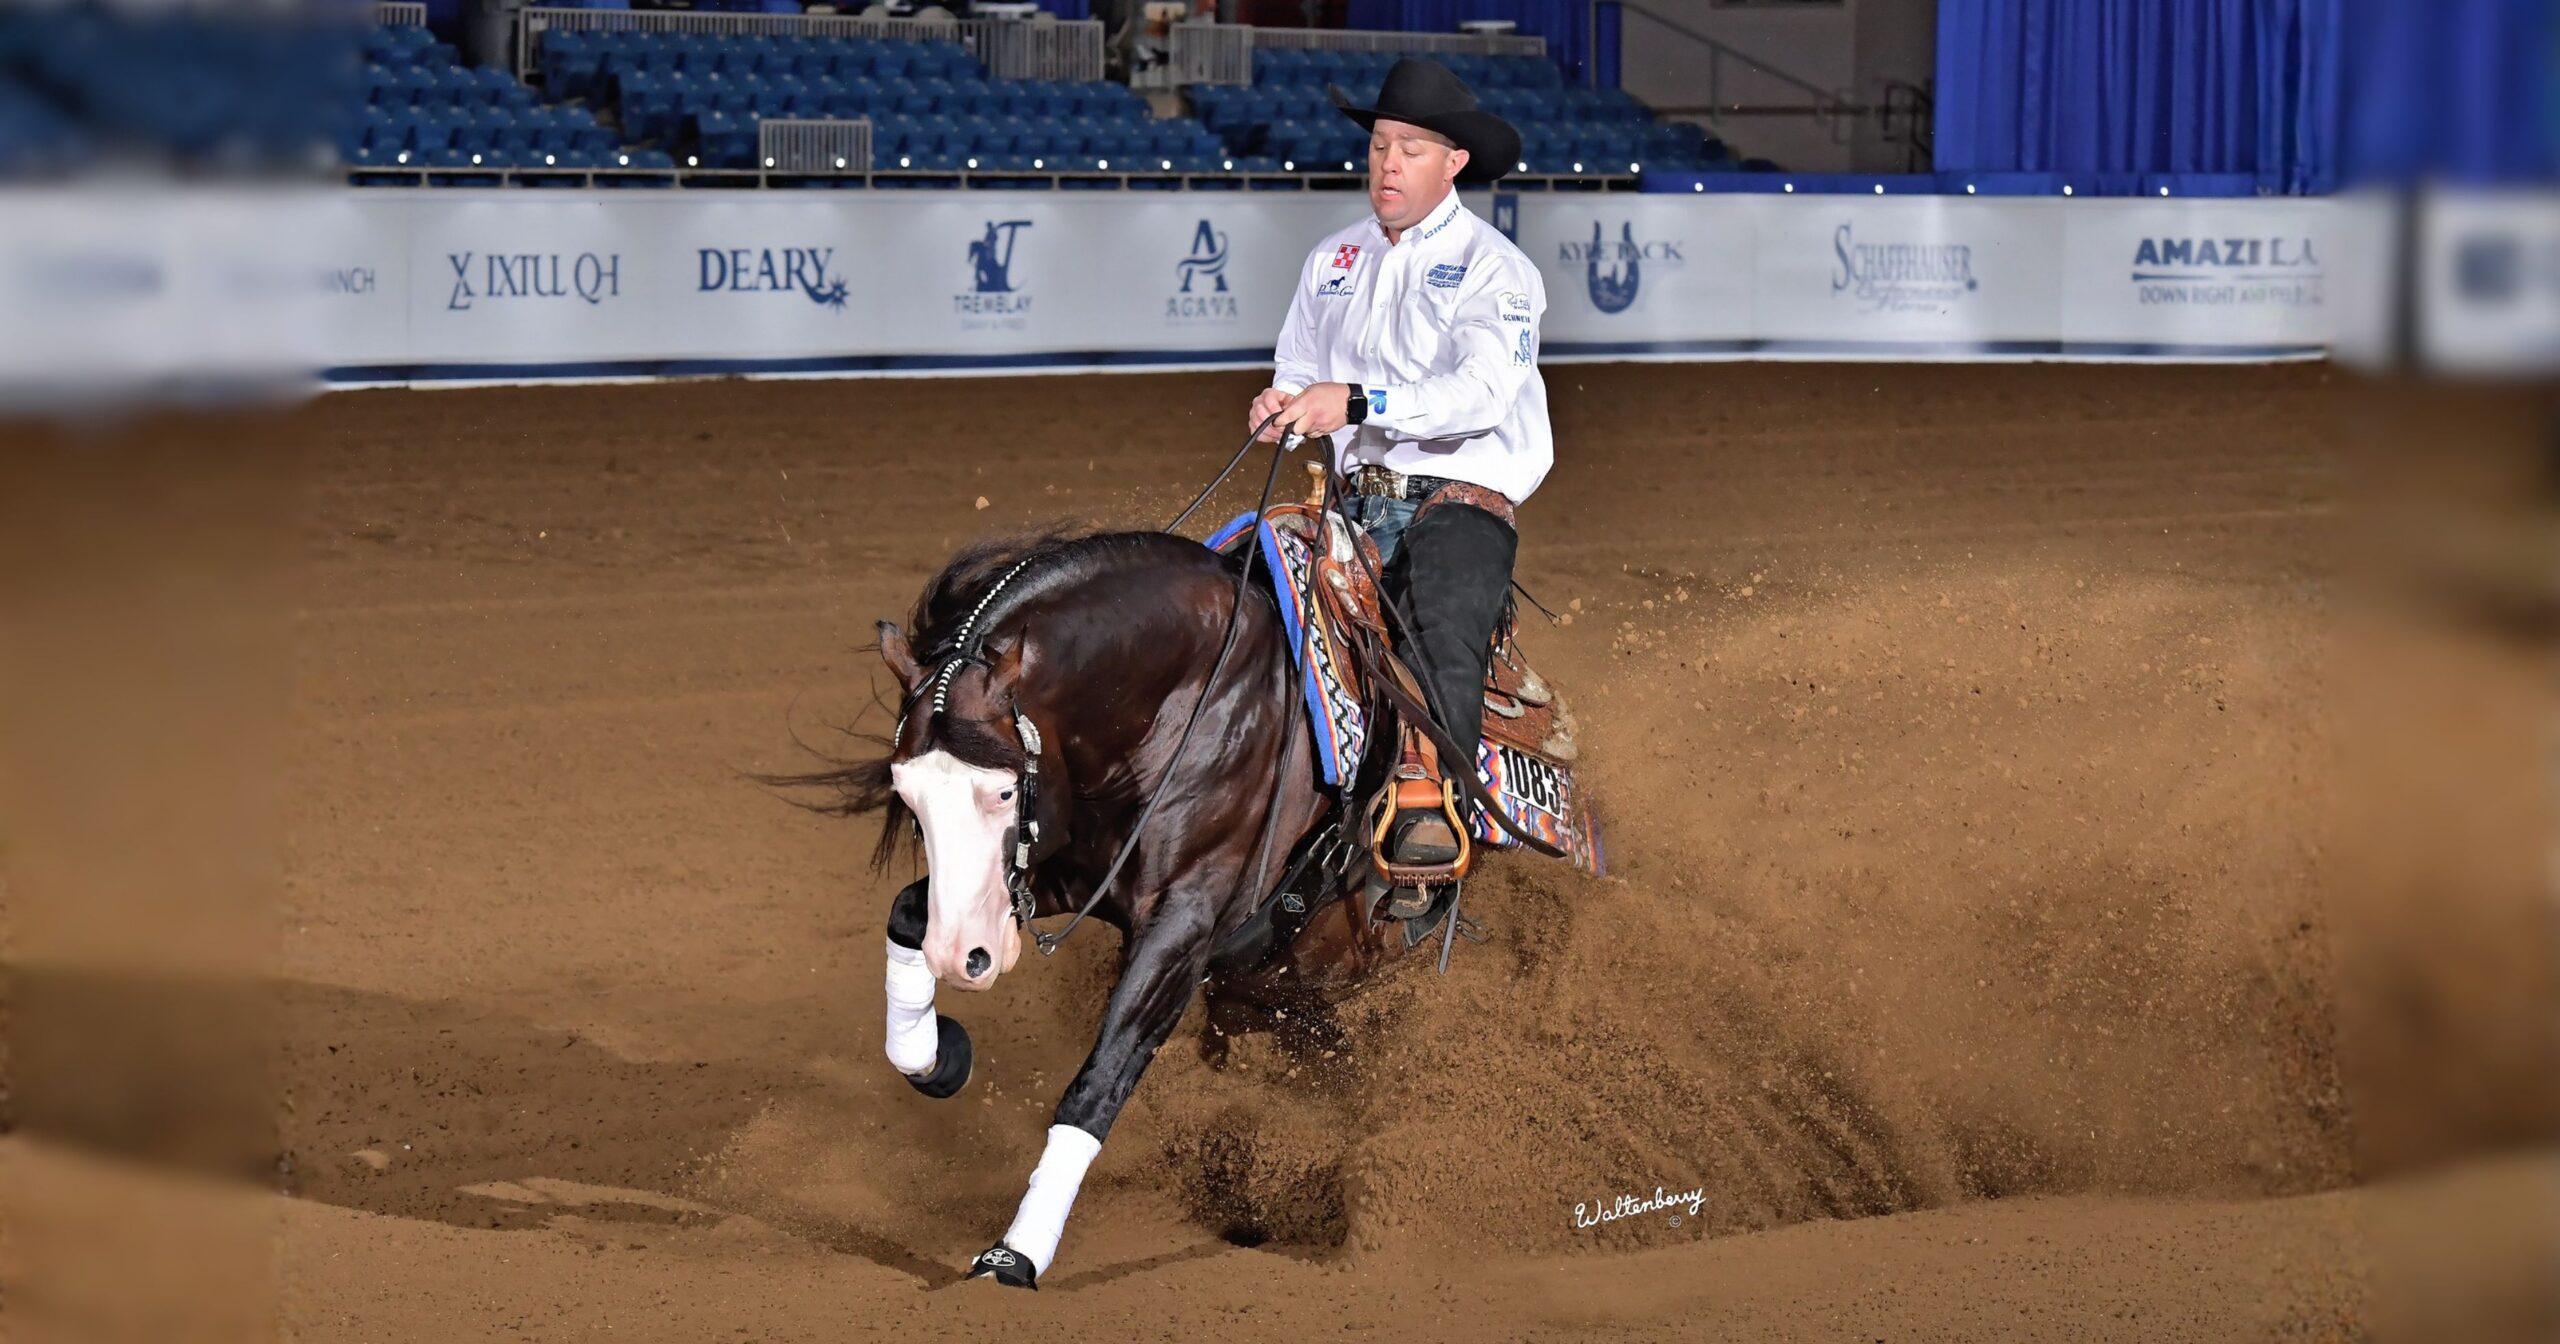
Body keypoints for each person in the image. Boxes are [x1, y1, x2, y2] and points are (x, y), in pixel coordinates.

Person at [1250, 56, 1551, 915]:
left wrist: (1355, 399)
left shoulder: (1498, 272)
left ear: (1454, 163)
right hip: (1349, 496)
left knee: (1438, 626)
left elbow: (1484, 395)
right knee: (1245, 595)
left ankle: (1428, 811)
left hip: (1459, 496)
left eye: (1410, 148)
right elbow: (1300, 367)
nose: (1387, 164)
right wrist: (1285, 403)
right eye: (1381, 144)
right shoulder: (1333, 257)